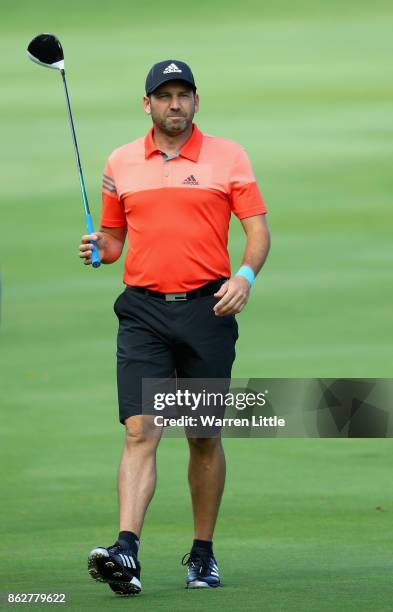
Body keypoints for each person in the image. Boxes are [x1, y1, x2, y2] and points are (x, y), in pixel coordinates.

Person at [80, 59, 270, 596]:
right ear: (148, 104)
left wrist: (246, 276)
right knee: (140, 429)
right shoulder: (120, 161)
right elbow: (115, 241)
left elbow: (258, 231)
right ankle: (126, 549)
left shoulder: (228, 156)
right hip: (142, 311)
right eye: (164, 96)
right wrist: (100, 249)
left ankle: (203, 554)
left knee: (203, 436)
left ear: (196, 101)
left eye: (183, 94)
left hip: (208, 310)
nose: (175, 104)